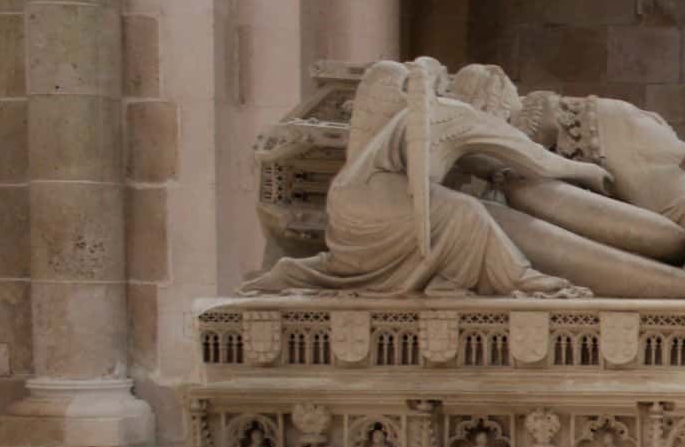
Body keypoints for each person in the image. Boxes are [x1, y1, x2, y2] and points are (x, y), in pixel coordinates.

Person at [245, 60, 606, 297]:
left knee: (451, 215)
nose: (506, 120)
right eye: (507, 112)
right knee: (467, 214)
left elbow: (478, 163)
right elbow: (537, 161)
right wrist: (590, 171)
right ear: (493, 100)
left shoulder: (437, 114)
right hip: (380, 197)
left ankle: (294, 273)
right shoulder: (463, 116)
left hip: (350, 200)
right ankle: (516, 279)